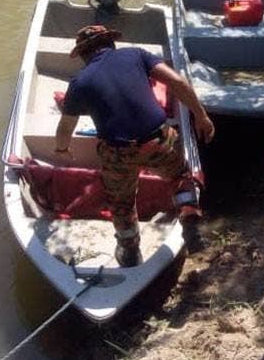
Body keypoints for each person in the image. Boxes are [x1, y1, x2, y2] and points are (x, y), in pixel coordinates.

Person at [54, 25, 215, 268]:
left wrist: (61, 149)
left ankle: (129, 252)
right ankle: (189, 217)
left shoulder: (80, 82)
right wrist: (201, 116)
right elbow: (176, 82)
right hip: (157, 140)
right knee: (180, 177)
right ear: (111, 42)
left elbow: (65, 127)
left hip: (118, 152)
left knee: (122, 203)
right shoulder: (136, 54)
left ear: (84, 54)